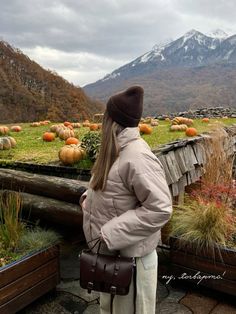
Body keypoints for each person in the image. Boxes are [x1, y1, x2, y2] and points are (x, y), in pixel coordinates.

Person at [80, 85, 172, 314]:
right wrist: (87, 199)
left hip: (132, 262)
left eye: (105, 116)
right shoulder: (115, 150)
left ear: (112, 120)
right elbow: (111, 190)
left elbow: (160, 209)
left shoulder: (137, 156)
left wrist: (110, 232)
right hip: (112, 257)